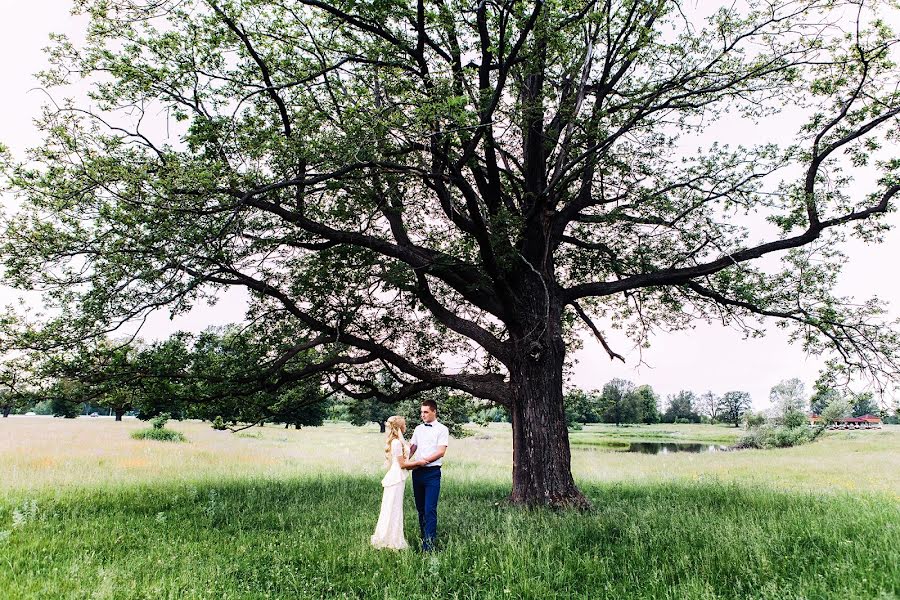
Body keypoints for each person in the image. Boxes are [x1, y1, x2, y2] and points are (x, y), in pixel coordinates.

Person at [371, 415, 418, 550]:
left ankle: (390, 538)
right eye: (404, 424)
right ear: (399, 427)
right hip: (396, 478)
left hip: (398, 477)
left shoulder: (399, 441)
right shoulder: (396, 442)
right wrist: (420, 464)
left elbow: (406, 454)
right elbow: (403, 464)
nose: (406, 426)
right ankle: (390, 540)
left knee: (393, 507)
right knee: (393, 508)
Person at [409, 399, 449, 552]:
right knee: (420, 509)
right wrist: (404, 459)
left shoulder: (442, 429)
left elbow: (441, 451)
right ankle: (424, 535)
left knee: (429, 509)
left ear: (434, 412)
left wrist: (423, 461)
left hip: (432, 473)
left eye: (426, 412)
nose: (423, 415)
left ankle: (429, 546)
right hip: (417, 473)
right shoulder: (418, 429)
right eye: (421, 412)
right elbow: (413, 447)